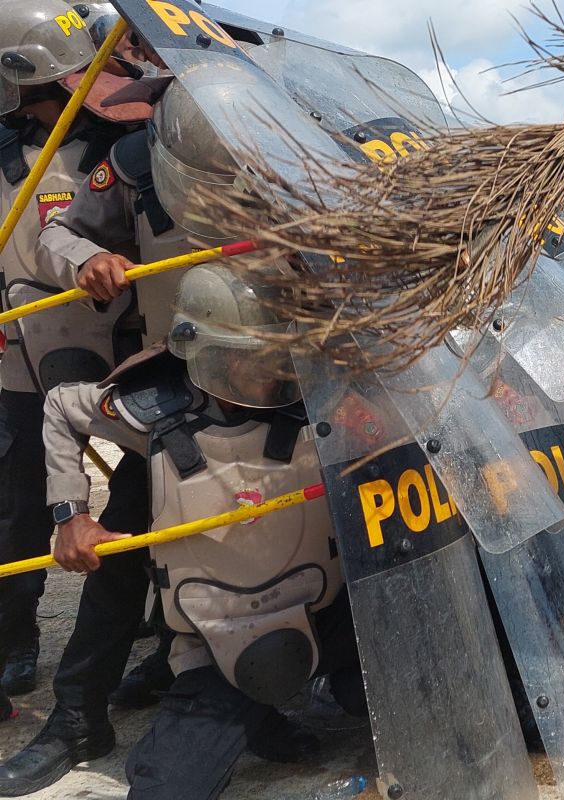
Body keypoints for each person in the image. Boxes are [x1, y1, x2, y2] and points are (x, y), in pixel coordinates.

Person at [0, 69, 296, 796]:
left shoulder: (297, 167)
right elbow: (57, 226)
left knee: (275, 548)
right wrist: (89, 261)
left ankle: (243, 696)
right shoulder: (132, 163)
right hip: (184, 392)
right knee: (126, 549)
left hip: (288, 394)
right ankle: (77, 717)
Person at [40, 264, 364, 798]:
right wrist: (70, 513)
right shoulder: (151, 409)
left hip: (320, 613)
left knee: (412, 698)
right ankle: (222, 723)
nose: (270, 370)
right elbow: (59, 405)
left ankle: (268, 714)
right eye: (251, 357)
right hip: (221, 634)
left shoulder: (316, 392)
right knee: (171, 789)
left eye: (277, 352)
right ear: (208, 350)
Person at [0, 0, 150, 703]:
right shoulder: (3, 156)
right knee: (20, 498)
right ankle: (13, 639)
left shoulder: (120, 145)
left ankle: (157, 617)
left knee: (145, 485)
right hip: (15, 351)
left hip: (120, 337)